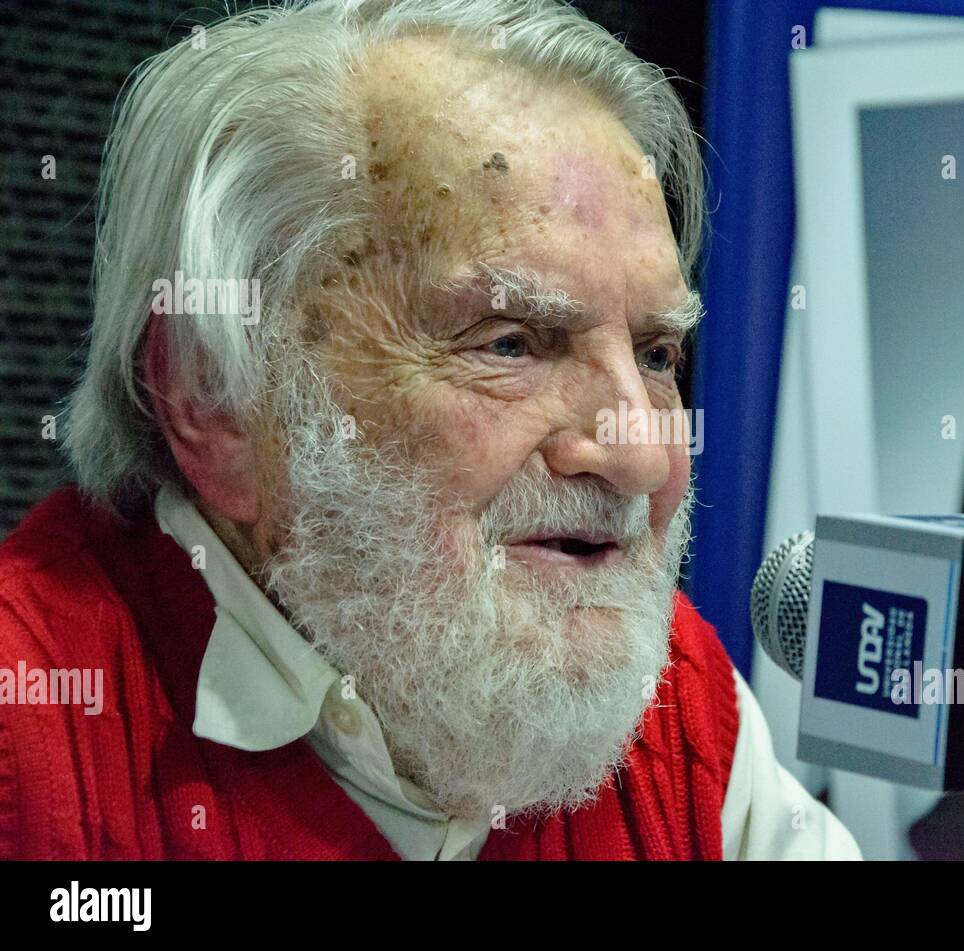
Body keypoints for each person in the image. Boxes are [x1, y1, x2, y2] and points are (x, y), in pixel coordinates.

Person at [0, 0, 861, 861]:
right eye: (512, 342)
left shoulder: (680, 713)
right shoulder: (31, 743)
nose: (641, 456)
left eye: (660, 354)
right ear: (215, 397)